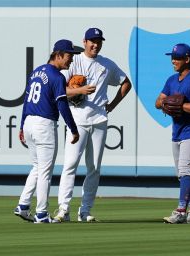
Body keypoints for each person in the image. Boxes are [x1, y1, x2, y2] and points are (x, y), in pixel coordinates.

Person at [53, 28, 132, 223]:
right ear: (85, 41)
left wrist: (112, 105)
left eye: (98, 41)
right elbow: (61, 89)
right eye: (92, 41)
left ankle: (85, 210)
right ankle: (63, 209)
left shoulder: (107, 64)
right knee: (70, 165)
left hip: (99, 119)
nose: (95, 44)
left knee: (94, 167)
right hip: (77, 118)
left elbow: (126, 83)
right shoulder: (75, 60)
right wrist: (80, 89)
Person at [14, 39, 80, 223]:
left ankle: (23, 204)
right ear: (58, 54)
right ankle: (42, 213)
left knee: (37, 167)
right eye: (69, 56)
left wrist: (21, 125)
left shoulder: (36, 71)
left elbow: (26, 100)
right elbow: (62, 105)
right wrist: (73, 129)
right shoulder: (57, 77)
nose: (71, 60)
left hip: (29, 121)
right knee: (45, 171)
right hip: (44, 124)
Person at [155, 43, 190, 224]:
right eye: (172, 57)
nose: (173, 61)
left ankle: (180, 211)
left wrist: (179, 105)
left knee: (185, 170)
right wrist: (165, 103)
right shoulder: (171, 80)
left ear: (187, 59)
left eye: (177, 58)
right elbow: (158, 102)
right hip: (177, 132)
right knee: (182, 174)